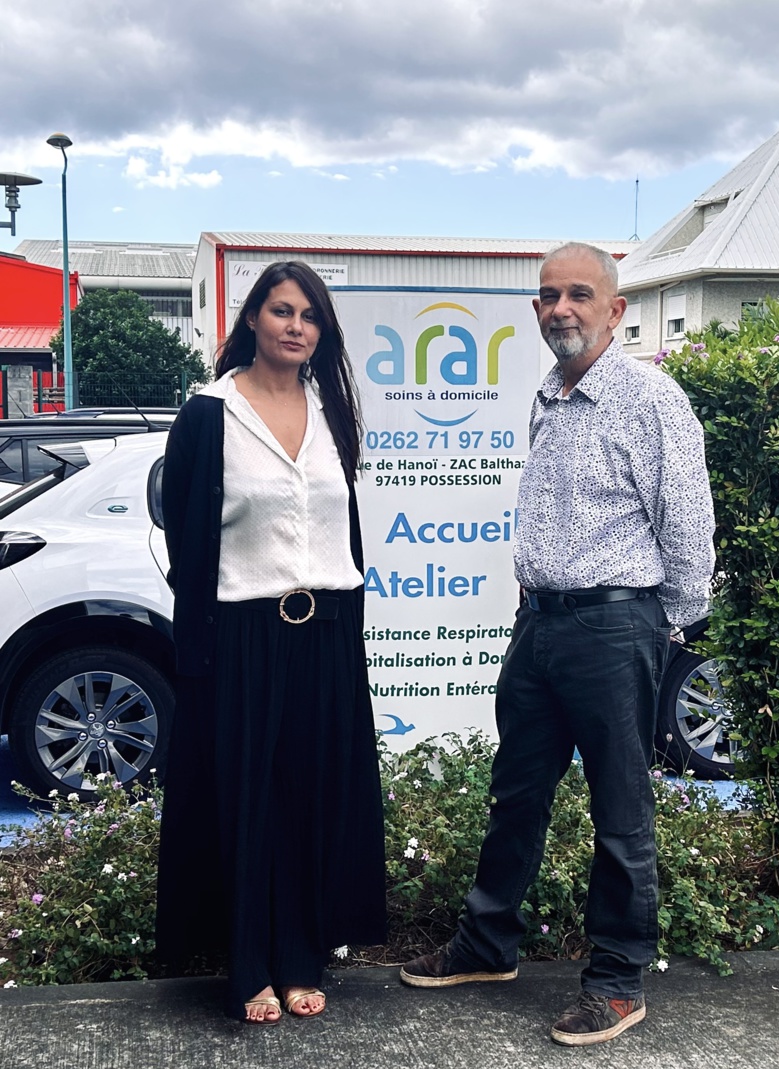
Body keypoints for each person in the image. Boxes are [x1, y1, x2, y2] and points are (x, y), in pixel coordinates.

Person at [399, 242, 715, 1047]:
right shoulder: (546, 394)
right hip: (538, 624)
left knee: (619, 809)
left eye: (578, 294)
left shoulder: (650, 398)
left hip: (614, 626)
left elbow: (688, 529)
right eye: (546, 296)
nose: (558, 309)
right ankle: (485, 943)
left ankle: (615, 979)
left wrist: (659, 622)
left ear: (615, 309)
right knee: (516, 791)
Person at [156, 260, 386, 1024]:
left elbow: (341, 531)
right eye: (281, 310)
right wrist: (200, 656)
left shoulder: (332, 413)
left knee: (306, 799)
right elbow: (190, 548)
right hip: (243, 634)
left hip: (321, 633)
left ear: (321, 333)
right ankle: (246, 962)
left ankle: (298, 956)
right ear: (251, 318)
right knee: (245, 802)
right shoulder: (208, 414)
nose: (295, 325)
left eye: (309, 315)